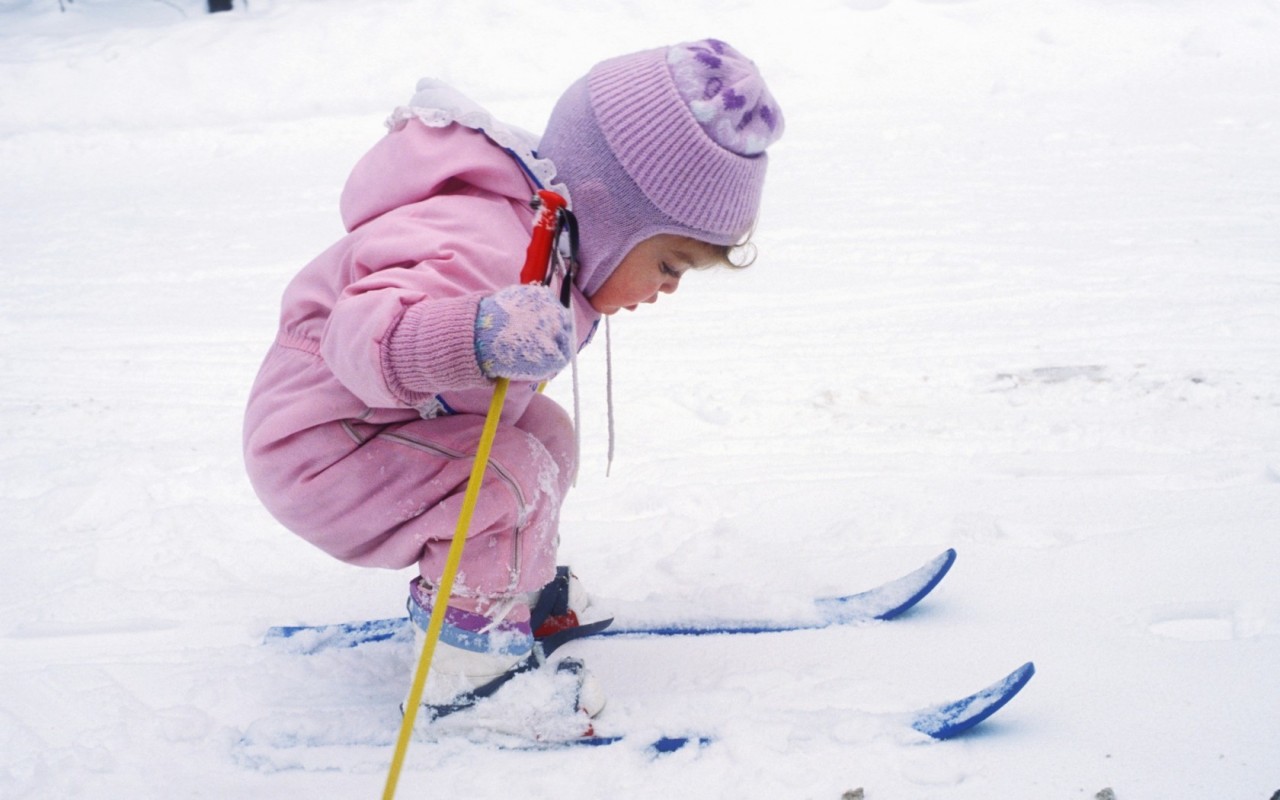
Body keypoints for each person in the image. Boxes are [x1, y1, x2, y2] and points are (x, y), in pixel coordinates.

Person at [242, 38, 784, 734]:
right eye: (669, 261)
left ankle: (507, 590)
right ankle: (471, 680)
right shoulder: (486, 244)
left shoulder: (552, 238)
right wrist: (475, 333)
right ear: (612, 217)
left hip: (379, 430)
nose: (669, 288)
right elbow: (356, 338)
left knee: (546, 436)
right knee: (511, 475)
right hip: (319, 447)